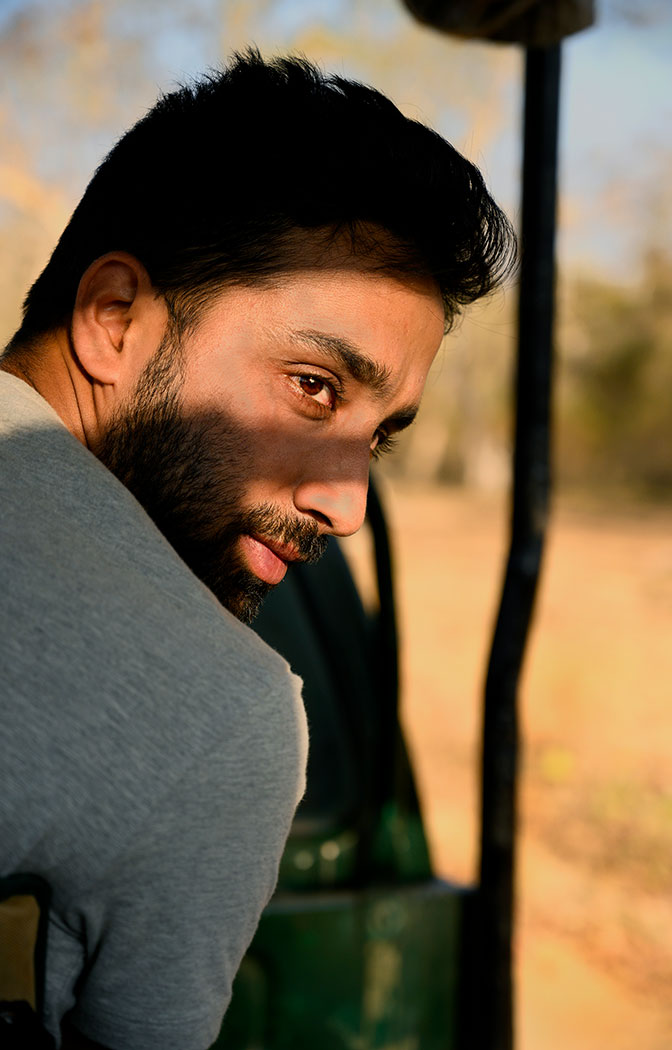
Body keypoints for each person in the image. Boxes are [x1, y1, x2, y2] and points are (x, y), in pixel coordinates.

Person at [0, 49, 515, 1050]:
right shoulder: (222, 709)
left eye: (378, 435)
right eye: (314, 387)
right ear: (114, 319)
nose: (346, 505)